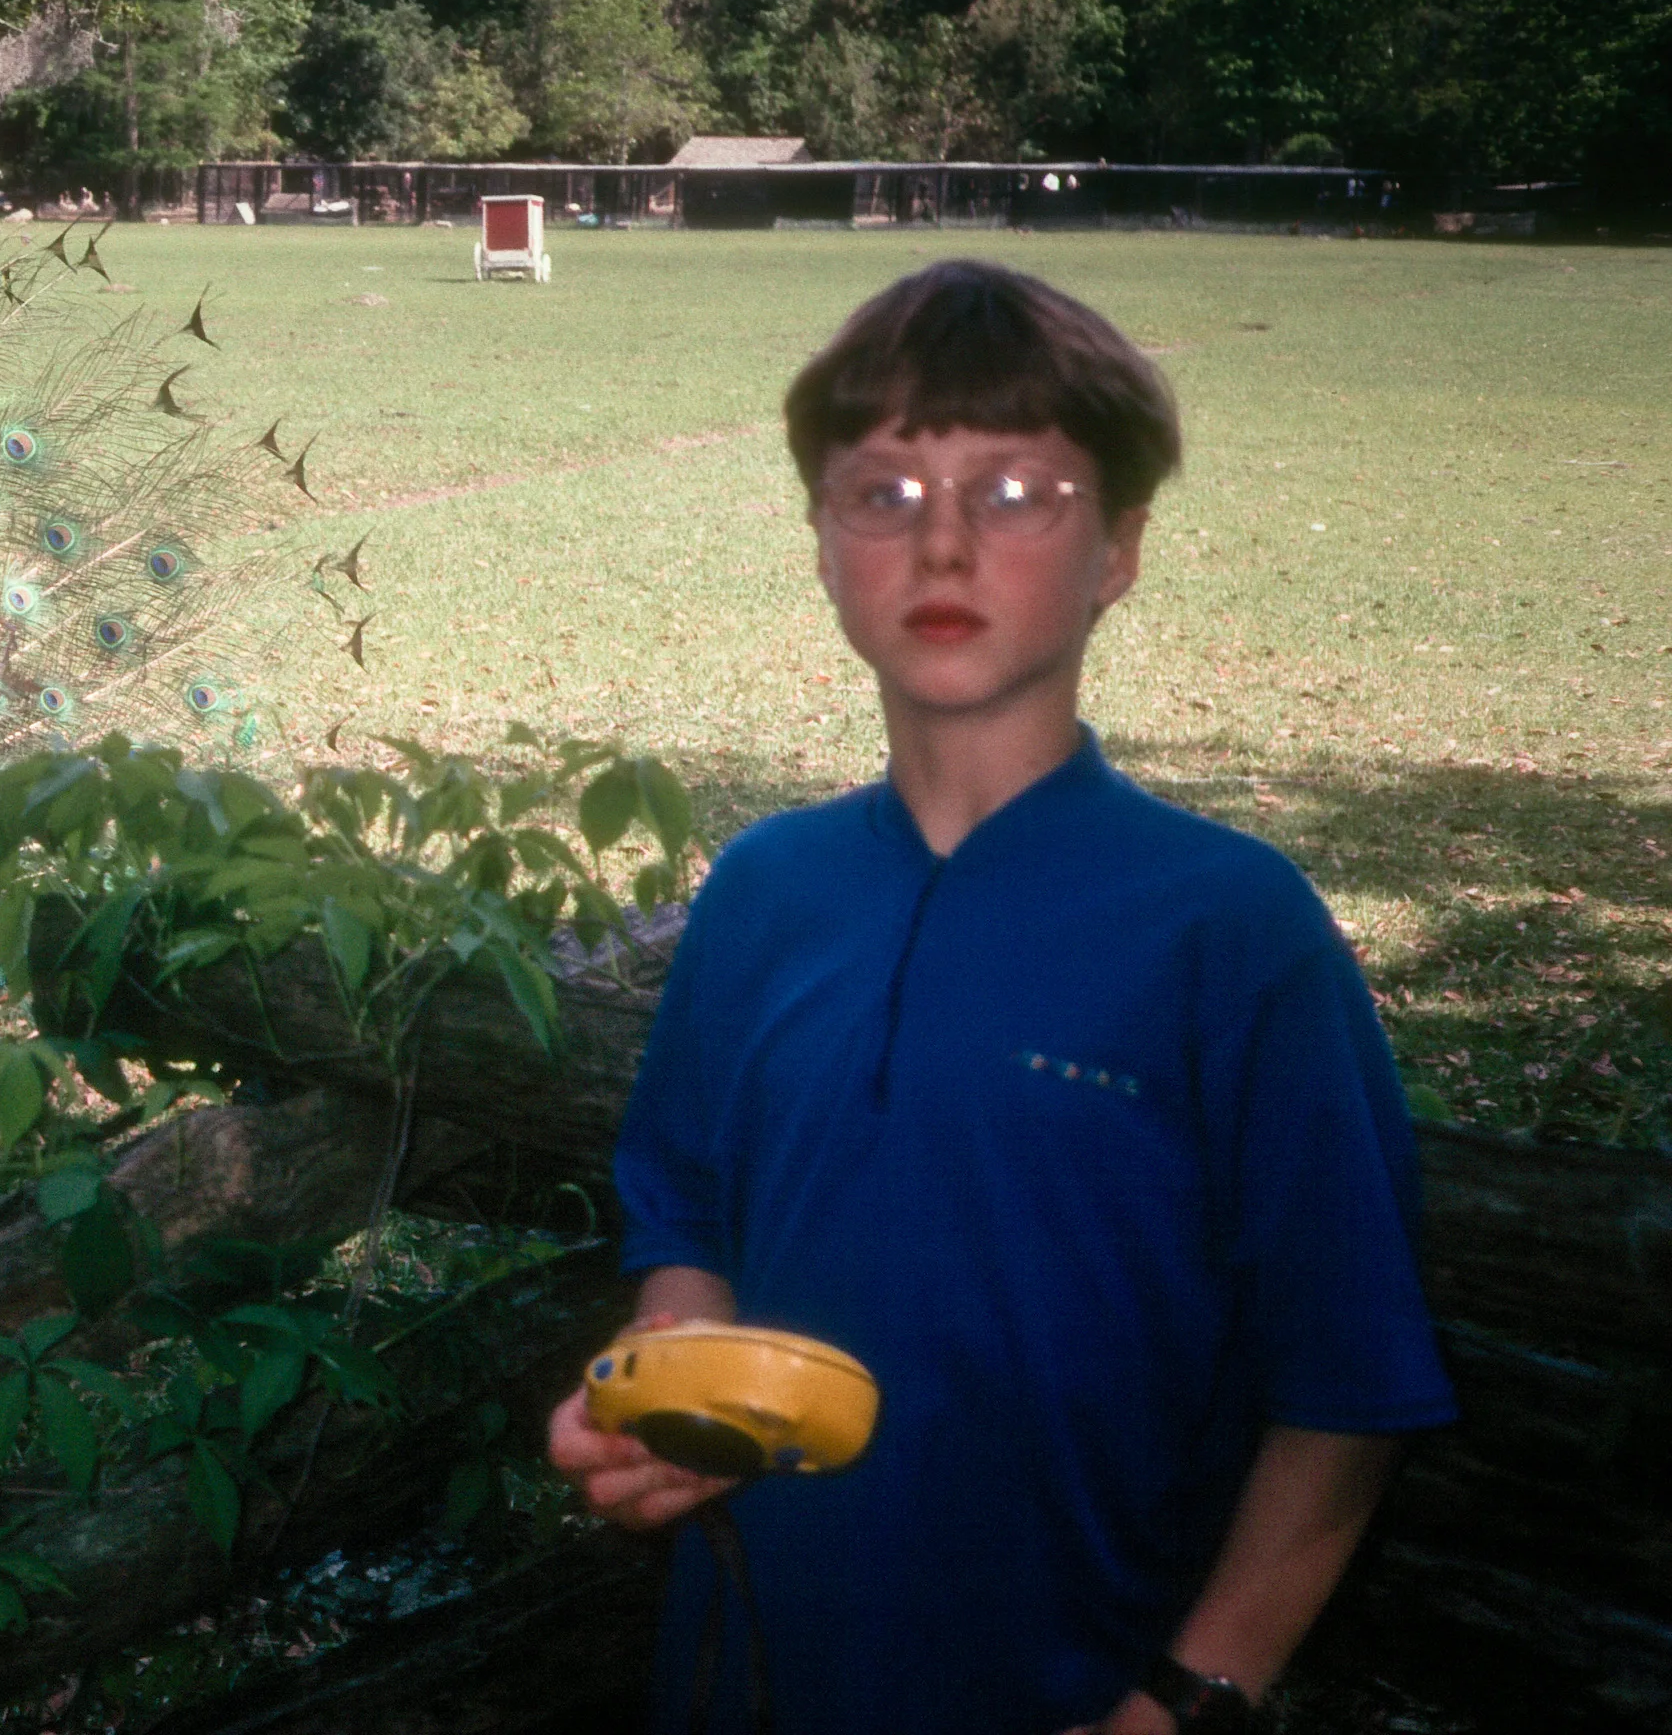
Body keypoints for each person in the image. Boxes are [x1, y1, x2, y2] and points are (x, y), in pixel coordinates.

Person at [545, 261, 1455, 1735]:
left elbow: (1348, 1385)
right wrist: (669, 1405)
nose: (944, 545)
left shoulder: (1230, 929)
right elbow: (688, 1223)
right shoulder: (766, 890)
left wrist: (1189, 1695)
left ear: (1119, 549)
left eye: (1018, 491)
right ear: (823, 546)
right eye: (882, 495)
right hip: (744, 1675)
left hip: (1080, 1688)